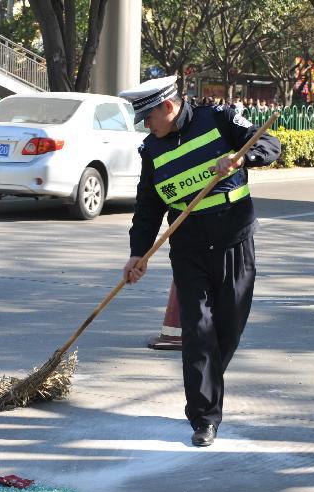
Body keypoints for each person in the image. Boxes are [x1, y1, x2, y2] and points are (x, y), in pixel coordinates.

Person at [119, 76, 281, 447]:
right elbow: (147, 208)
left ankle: (207, 386)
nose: (146, 126)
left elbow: (271, 145)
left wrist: (243, 157)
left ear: (168, 107)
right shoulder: (152, 151)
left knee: (228, 329)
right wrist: (137, 253)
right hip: (189, 249)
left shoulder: (220, 119)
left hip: (234, 240)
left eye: (149, 117)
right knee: (197, 331)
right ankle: (204, 416)